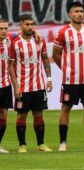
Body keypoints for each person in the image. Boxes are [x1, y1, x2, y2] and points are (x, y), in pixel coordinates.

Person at [53, 2, 84, 151]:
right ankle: (63, 142)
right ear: (70, 14)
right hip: (70, 79)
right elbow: (55, 54)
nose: (80, 14)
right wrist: (66, 69)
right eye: (76, 11)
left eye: (81, 11)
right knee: (66, 108)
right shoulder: (63, 32)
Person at [9, 14, 53, 153]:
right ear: (20, 24)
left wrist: (49, 79)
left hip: (39, 86)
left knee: (39, 115)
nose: (30, 27)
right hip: (22, 87)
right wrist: (15, 87)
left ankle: (41, 144)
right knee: (21, 115)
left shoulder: (40, 41)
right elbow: (11, 66)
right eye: (27, 24)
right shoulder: (15, 42)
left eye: (31, 24)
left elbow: (45, 59)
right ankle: (22, 145)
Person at [0, 18, 14, 153]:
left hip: (5, 84)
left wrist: (34, 33)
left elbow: (22, 33)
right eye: (1, 29)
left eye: (5, 28)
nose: (4, 31)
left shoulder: (9, 41)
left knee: (4, 116)